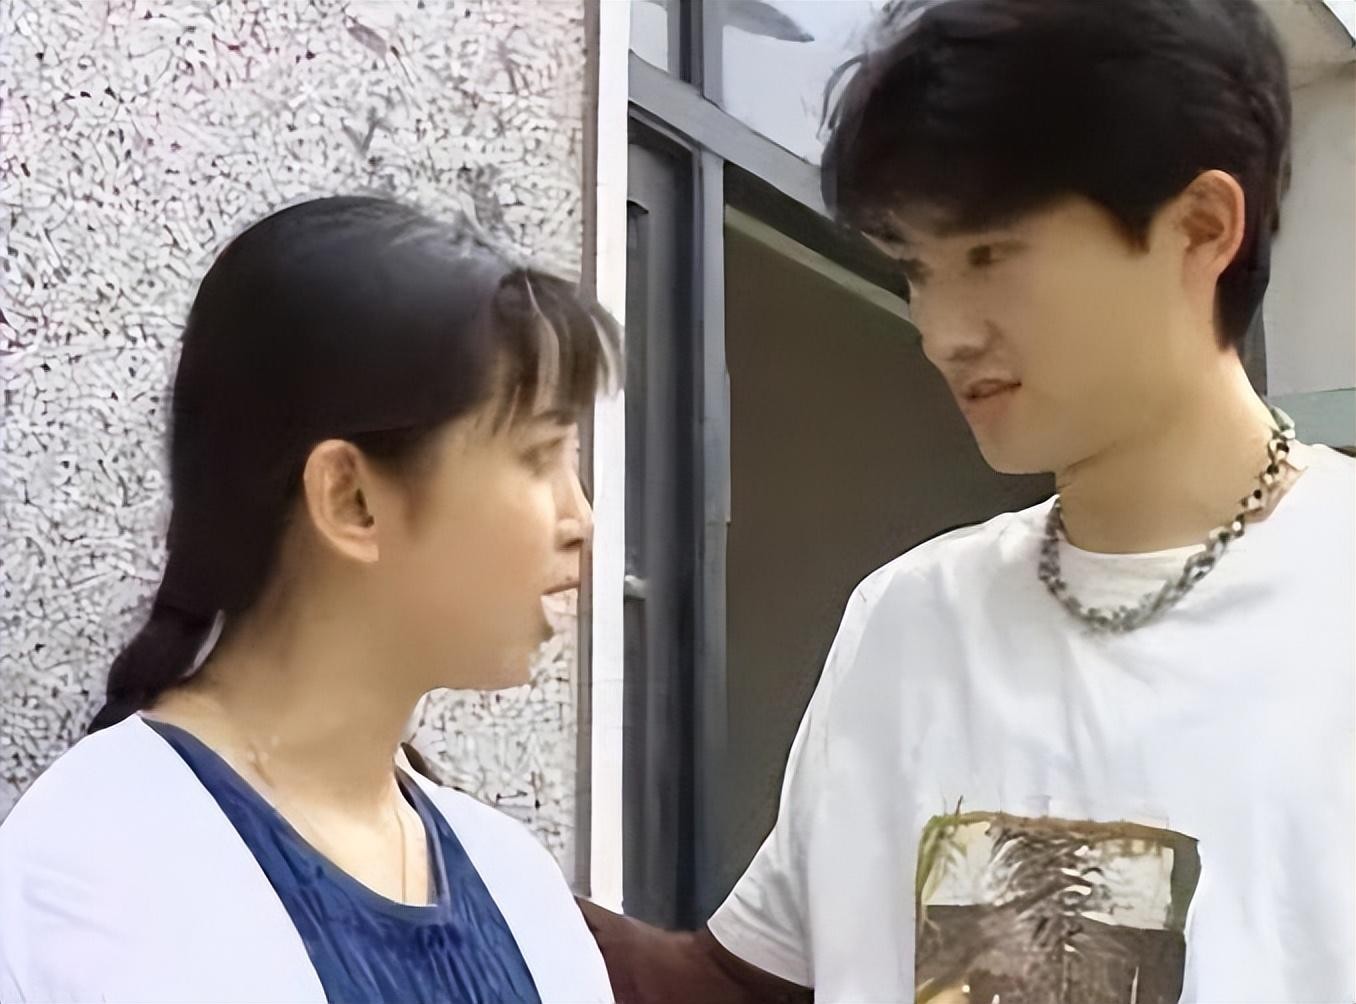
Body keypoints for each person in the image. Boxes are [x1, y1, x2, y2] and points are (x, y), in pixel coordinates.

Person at [577, 0, 1355, 1001]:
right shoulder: (908, 619)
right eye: (916, 269)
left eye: (990, 255)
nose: (943, 332)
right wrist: (441, 852)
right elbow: (747, 985)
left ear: (1202, 228)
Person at [0, 196, 620, 1003]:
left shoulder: (517, 886)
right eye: (540, 457)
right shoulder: (94, 880)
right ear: (350, 499)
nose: (581, 521)